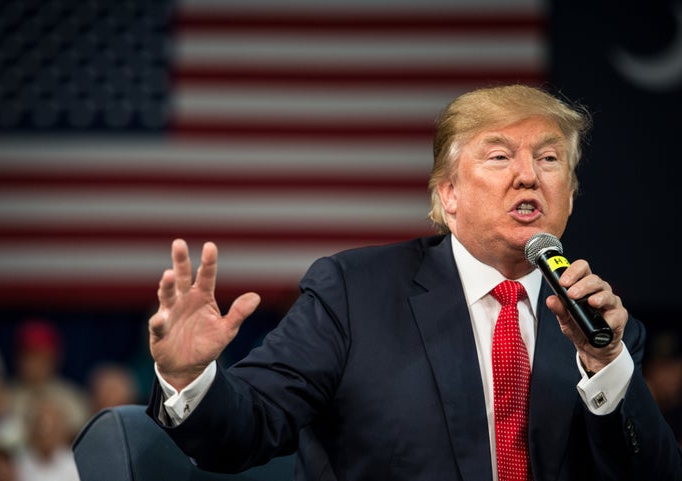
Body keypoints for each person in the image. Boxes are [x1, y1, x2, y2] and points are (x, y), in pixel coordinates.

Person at [145, 84, 682, 480]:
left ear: (569, 195)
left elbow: (652, 475)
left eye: (549, 159)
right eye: (499, 156)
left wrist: (606, 365)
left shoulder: (602, 328)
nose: (528, 175)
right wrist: (190, 377)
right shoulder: (353, 293)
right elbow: (245, 433)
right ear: (447, 195)